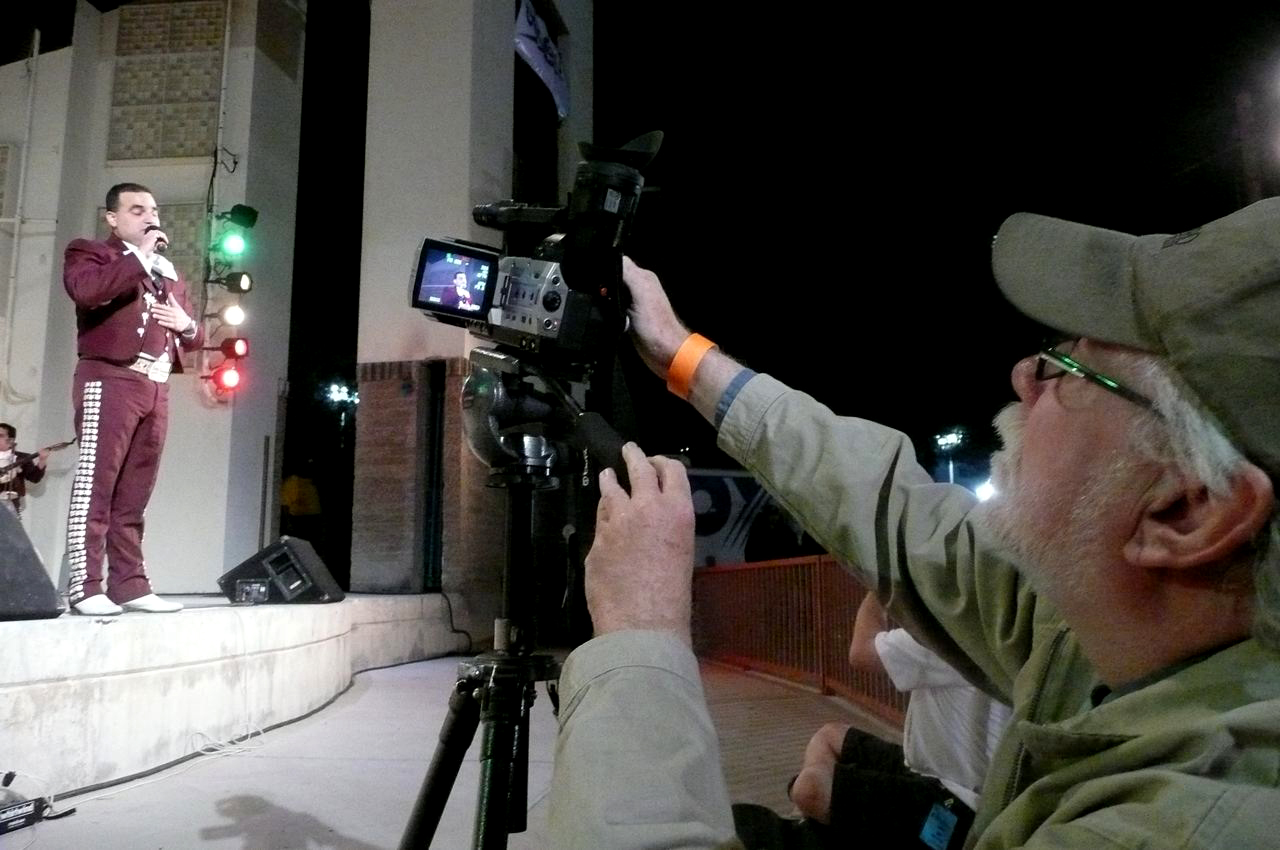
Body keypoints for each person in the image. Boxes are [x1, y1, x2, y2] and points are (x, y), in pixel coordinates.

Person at [546, 198, 1280, 848]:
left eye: (1070, 370)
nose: (1024, 376)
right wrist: (683, 357)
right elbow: (892, 509)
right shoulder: (1119, 624)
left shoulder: (1177, 826)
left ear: (1184, 510)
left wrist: (640, 633)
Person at [61, 182, 204, 616]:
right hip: (110, 377)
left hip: (155, 386)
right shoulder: (91, 253)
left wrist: (187, 325)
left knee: (135, 493)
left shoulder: (167, 271)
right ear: (112, 218)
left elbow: (194, 337)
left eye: (153, 210)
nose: (150, 217)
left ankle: (130, 584)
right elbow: (89, 292)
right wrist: (139, 255)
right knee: (96, 484)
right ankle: (85, 586)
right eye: (137, 210)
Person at [777, 593, 1011, 848]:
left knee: (809, 790)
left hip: (959, 807)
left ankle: (812, 819)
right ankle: (812, 816)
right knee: (830, 736)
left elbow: (860, 652)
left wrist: (880, 588)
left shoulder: (954, 634)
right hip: (928, 772)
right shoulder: (1000, 625)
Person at [0, 422, 48, 520]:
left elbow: (34, 478)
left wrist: (42, 460)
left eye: (0, 436)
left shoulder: (22, 458)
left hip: (10, 504)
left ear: (11, 440)